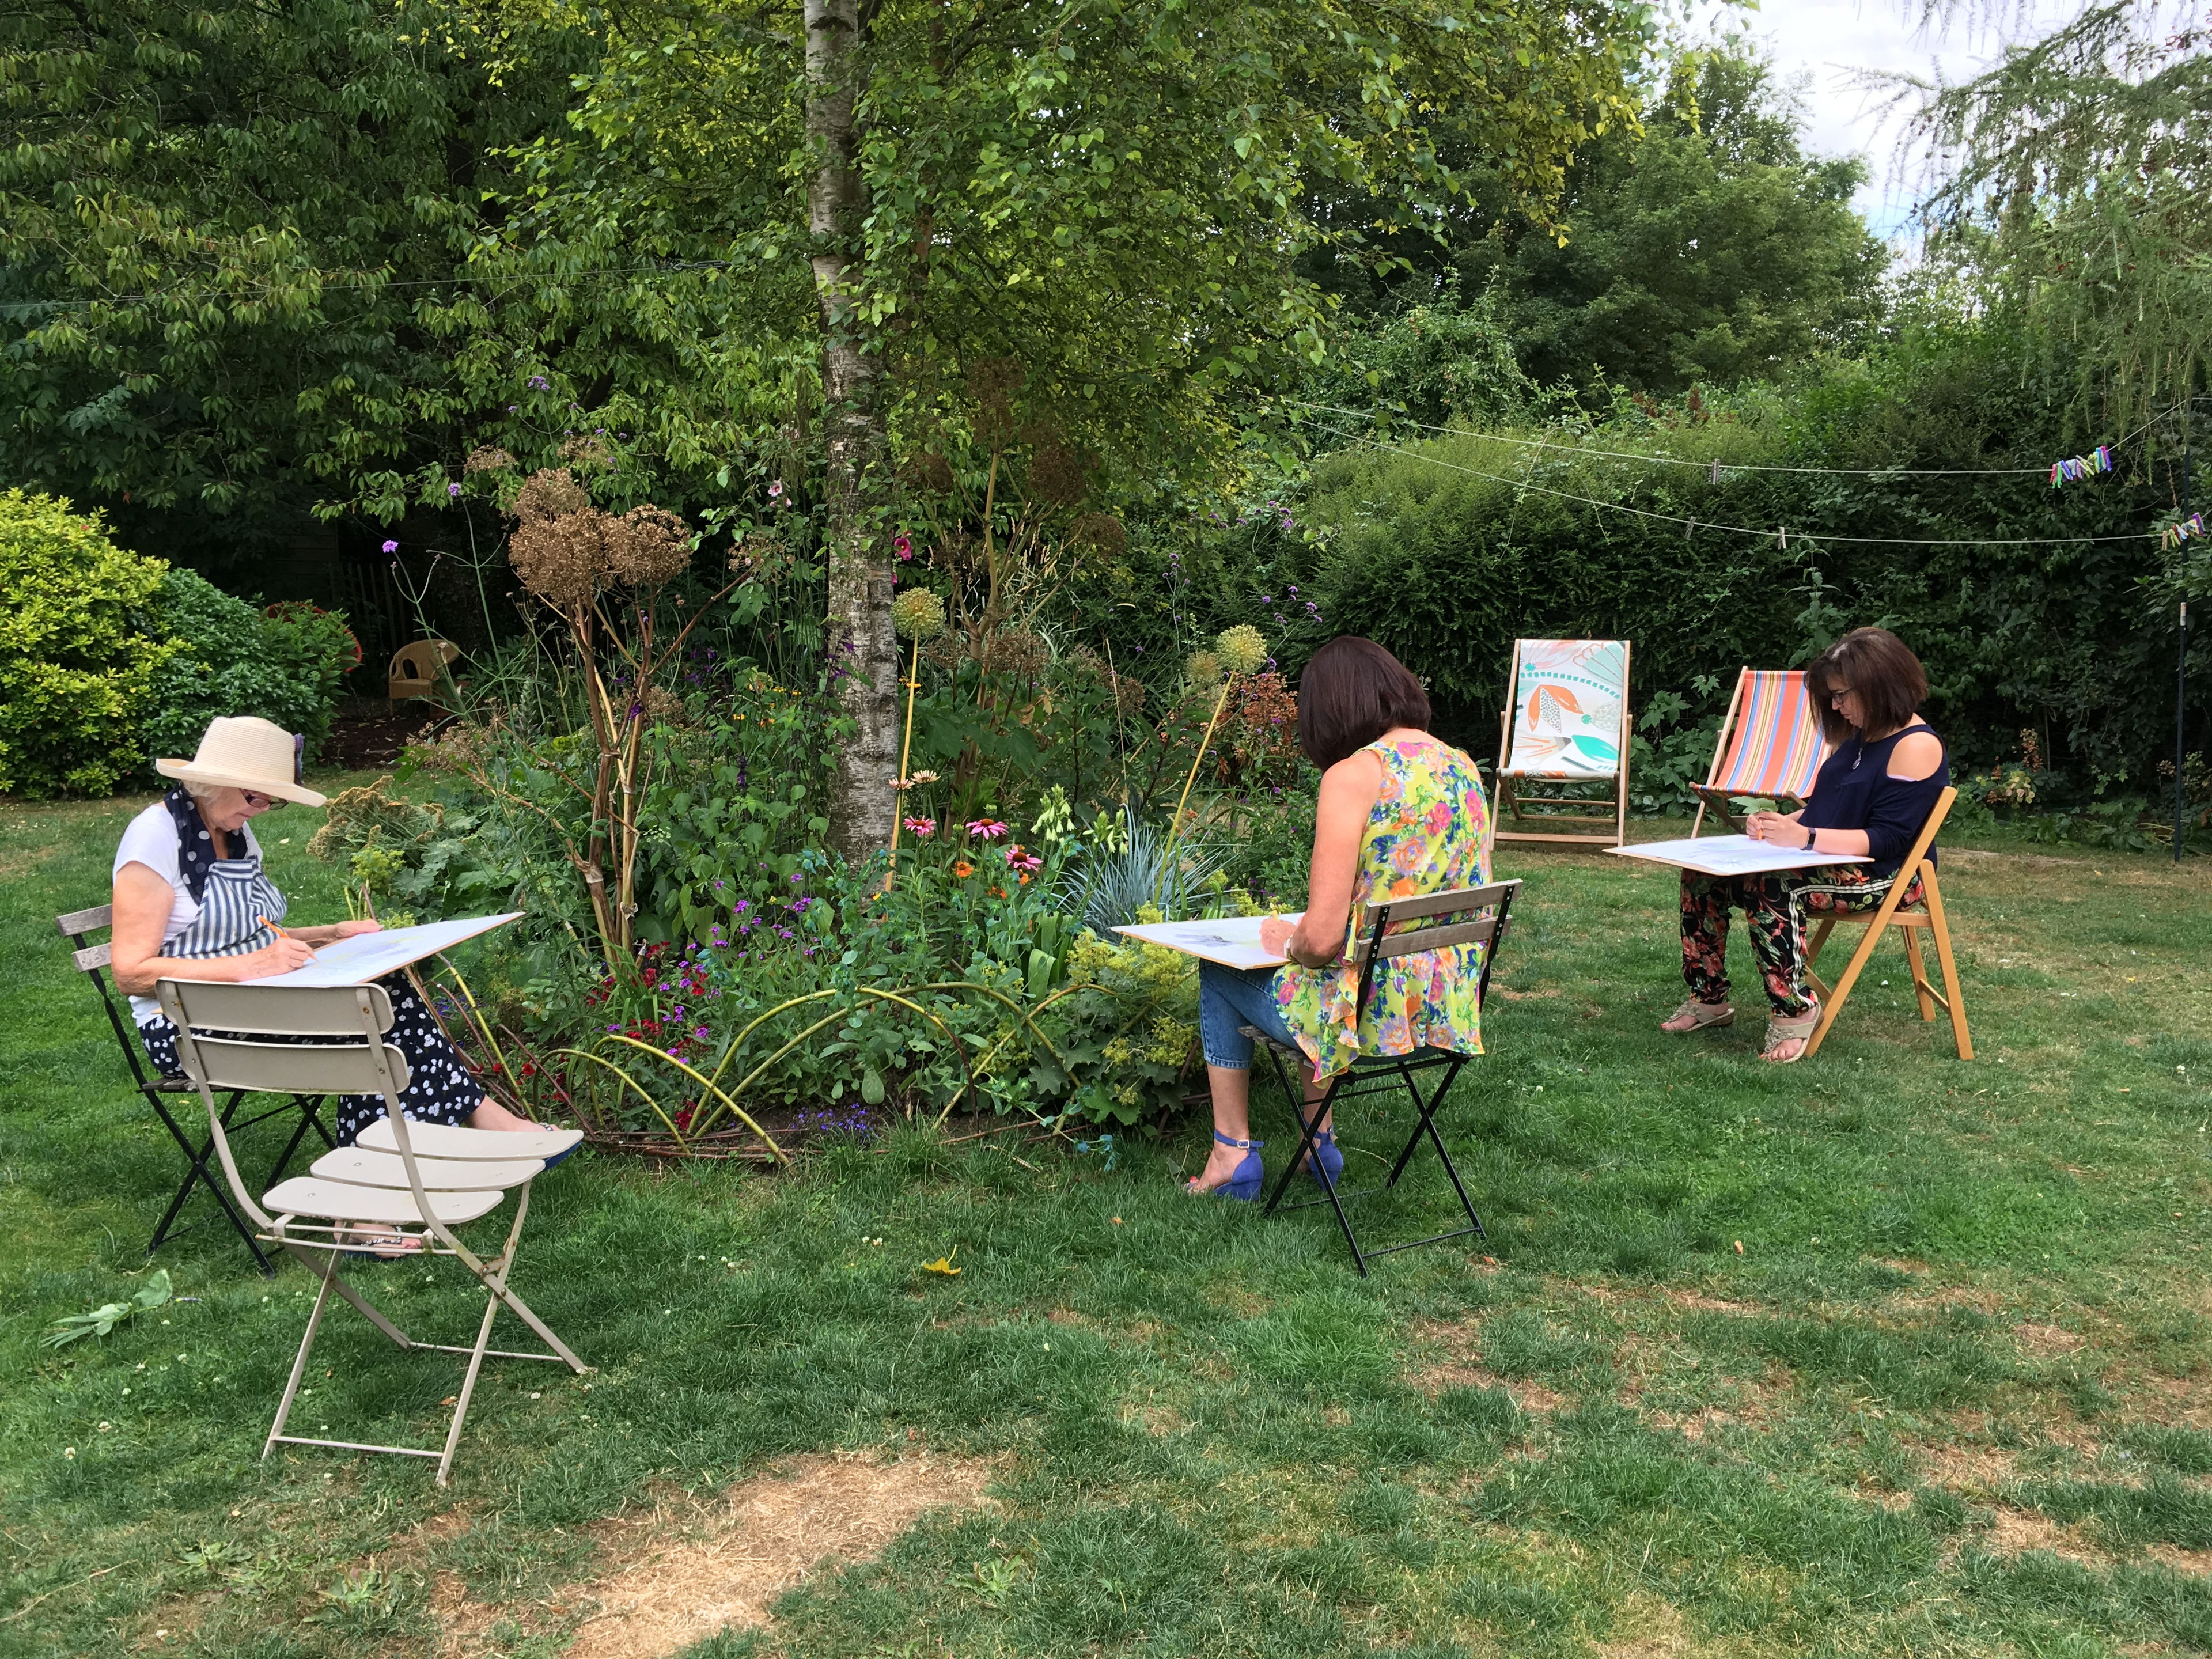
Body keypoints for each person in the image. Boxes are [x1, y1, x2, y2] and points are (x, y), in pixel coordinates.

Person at [110, 715, 548, 1253]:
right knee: (360, 1022)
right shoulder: (155, 837)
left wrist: (330, 935)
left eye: (274, 801)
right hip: (189, 1029)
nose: (262, 810)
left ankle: (432, 1153)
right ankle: (381, 1193)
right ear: (211, 781)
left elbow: (251, 936)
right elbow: (131, 971)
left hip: (250, 1004)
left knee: (386, 995)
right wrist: (250, 968)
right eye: (257, 796)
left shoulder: (233, 833)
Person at [1186, 637, 1493, 1198]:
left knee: (1221, 972)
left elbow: (1322, 941)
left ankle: (1231, 1153)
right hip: (1445, 1009)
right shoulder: (1462, 768)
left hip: (1373, 1018)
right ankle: (1316, 1144)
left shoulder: (1355, 775)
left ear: (1332, 708)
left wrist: (1289, 942)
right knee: (1324, 979)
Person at [1661, 627, 1949, 1063]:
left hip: (1889, 876)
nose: (1835, 706)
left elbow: (1890, 838)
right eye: (1831, 697)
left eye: (1841, 695)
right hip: (1834, 859)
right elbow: (1828, 808)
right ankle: (1709, 1000)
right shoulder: (1862, 737)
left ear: (1879, 685)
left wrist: (1806, 838)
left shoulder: (1916, 746)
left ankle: (1793, 1013)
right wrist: (1782, 824)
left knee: (1773, 884)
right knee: (1702, 876)